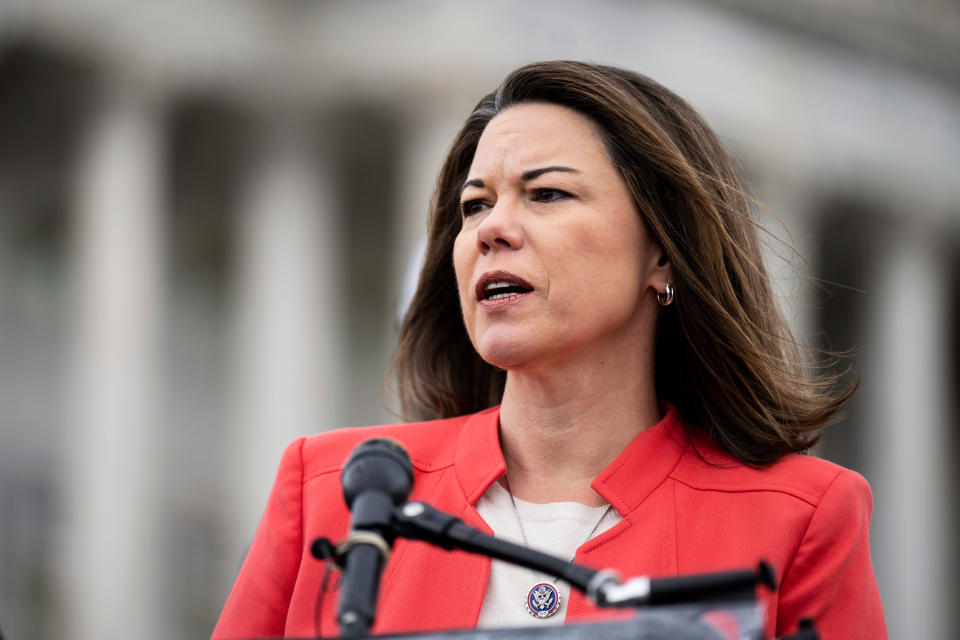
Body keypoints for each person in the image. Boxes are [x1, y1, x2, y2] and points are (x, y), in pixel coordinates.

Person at [213, 61, 886, 639]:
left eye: (548, 194)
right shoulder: (337, 493)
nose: (493, 229)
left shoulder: (801, 518)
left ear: (662, 252)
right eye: (475, 206)